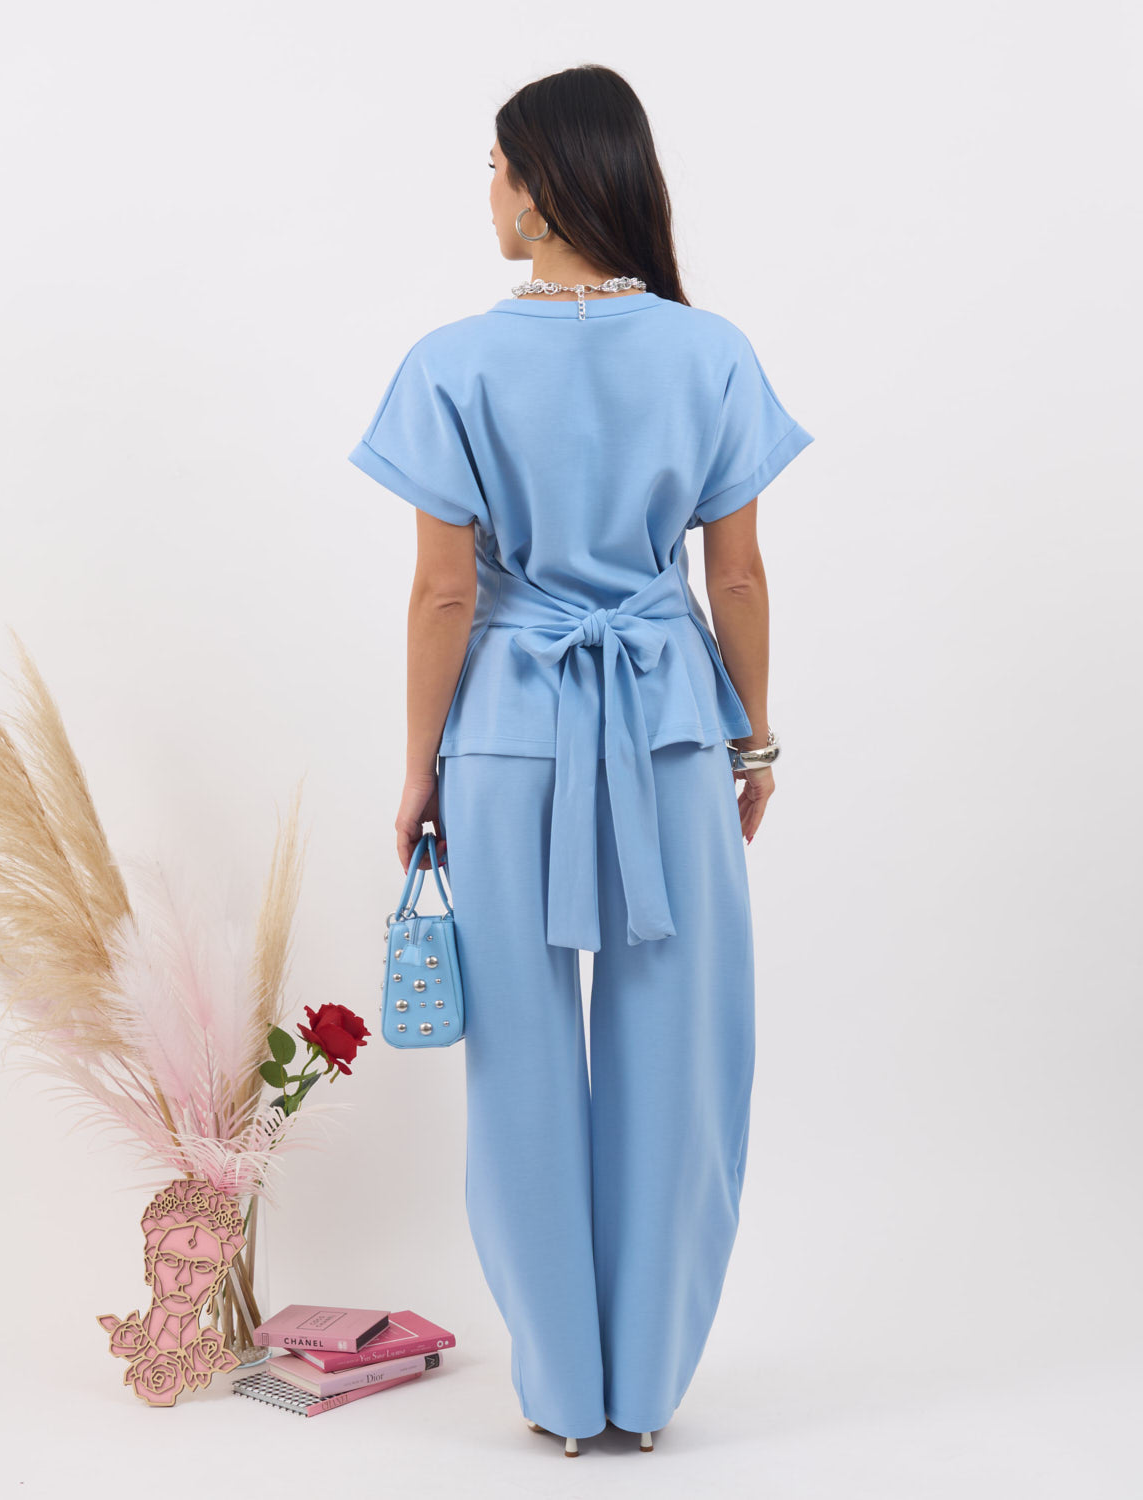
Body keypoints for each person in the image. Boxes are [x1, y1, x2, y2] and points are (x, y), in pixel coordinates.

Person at [348, 63, 813, 1457]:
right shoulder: (708, 350)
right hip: (669, 723)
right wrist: (752, 737)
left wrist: (420, 767)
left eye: (496, 167)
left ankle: (560, 1394)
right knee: (682, 1045)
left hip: (508, 734)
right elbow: (737, 577)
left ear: (544, 186)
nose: (487, 192)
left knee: (522, 1058)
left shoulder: (451, 363)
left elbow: (443, 594)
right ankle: (645, 1392)